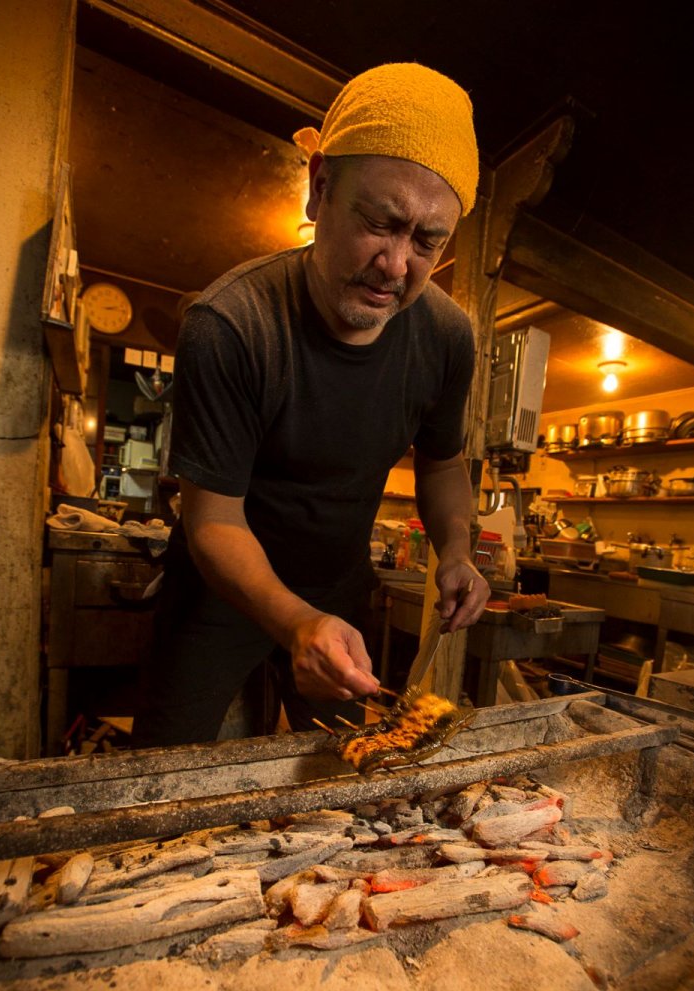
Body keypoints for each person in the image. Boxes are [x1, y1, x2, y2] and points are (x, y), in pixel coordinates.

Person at [131, 61, 490, 750]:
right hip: (219, 590)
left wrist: (455, 549)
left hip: (336, 590)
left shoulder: (446, 337)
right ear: (320, 187)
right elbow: (212, 522)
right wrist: (292, 623)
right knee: (163, 775)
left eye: (428, 242)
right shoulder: (232, 324)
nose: (396, 265)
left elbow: (443, 465)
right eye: (381, 223)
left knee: (343, 779)